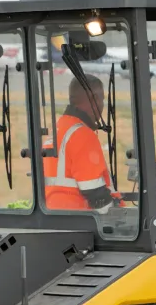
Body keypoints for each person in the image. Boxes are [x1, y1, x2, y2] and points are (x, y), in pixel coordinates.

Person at [43, 75, 121, 213]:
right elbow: (96, 195)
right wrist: (119, 219)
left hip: (55, 217)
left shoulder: (59, 129)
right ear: (94, 99)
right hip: (79, 221)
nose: (102, 105)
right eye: (102, 99)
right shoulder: (82, 134)